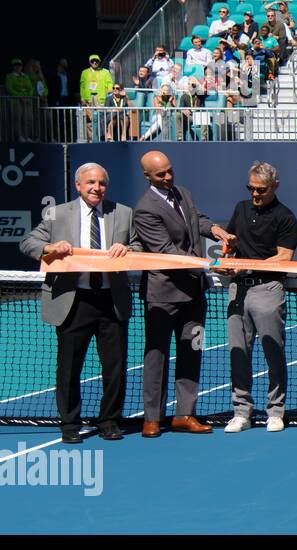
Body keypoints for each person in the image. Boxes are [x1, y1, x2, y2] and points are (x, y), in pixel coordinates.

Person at [20, 163, 137, 443]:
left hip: (112, 300)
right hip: (74, 302)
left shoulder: (123, 213)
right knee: (70, 367)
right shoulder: (57, 214)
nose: (97, 188)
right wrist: (49, 247)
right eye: (91, 183)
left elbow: (139, 245)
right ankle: (69, 424)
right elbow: (28, 242)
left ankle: (109, 420)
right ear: (78, 185)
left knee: (115, 366)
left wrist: (129, 248)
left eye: (102, 183)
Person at [134, 151, 232, 438]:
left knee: (191, 351)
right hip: (162, 296)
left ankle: (184, 414)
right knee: (156, 355)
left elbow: (196, 219)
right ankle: (152, 418)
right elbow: (165, 251)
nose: (167, 177)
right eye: (160, 175)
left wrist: (216, 230)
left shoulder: (183, 193)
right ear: (147, 177)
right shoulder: (144, 209)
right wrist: (204, 265)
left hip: (194, 294)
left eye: (169, 171)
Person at [220, 162, 297, 434]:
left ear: (275, 187)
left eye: (261, 190)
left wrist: (248, 265)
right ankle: (241, 412)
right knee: (238, 353)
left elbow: (284, 258)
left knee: (272, 352)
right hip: (237, 290)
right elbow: (231, 246)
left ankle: (275, 411)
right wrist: (227, 259)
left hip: (268, 289)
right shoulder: (240, 209)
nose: (254, 194)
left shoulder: (285, 217)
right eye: (251, 188)